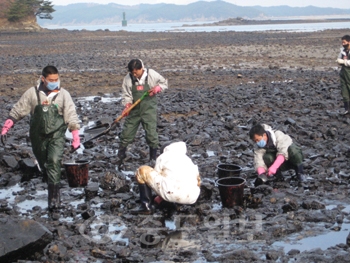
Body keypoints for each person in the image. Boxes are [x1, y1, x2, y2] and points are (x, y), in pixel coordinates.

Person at [0, 66, 80, 212]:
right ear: (43, 79)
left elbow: (71, 114)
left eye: (56, 79)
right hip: (38, 137)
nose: (55, 82)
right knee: (45, 165)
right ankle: (48, 178)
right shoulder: (32, 93)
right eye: (51, 80)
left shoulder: (63, 95)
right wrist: (7, 125)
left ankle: (54, 200)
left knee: (54, 161)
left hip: (56, 135)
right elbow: (19, 109)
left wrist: (75, 136)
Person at [117, 58, 168, 165]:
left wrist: (157, 88)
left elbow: (164, 83)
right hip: (134, 111)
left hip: (148, 110)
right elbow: (126, 94)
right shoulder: (128, 79)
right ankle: (120, 157)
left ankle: (153, 159)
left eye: (136, 72)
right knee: (126, 133)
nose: (134, 75)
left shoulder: (151, 74)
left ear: (141, 69)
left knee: (151, 134)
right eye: (132, 73)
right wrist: (127, 105)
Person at [130, 141, 201, 215]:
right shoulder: (188, 160)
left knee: (142, 171)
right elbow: (198, 180)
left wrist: (160, 195)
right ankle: (179, 204)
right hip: (192, 197)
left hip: (172, 193)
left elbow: (157, 175)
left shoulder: (164, 156)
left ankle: (146, 206)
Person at [336, 35, 350, 115]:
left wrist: (343, 62)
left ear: (349, 42)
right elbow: (339, 59)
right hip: (343, 73)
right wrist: (339, 61)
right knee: (344, 91)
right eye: (342, 42)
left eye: (344, 42)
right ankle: (347, 109)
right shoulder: (343, 51)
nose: (343, 44)